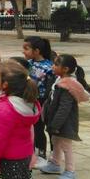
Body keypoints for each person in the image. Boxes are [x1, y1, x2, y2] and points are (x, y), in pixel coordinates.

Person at [39, 55, 90, 179]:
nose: (53, 66)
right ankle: (55, 164)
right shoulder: (60, 79)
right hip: (56, 121)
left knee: (66, 145)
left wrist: (55, 124)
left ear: (65, 69)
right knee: (56, 140)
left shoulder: (68, 85)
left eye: (56, 65)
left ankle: (70, 171)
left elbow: (64, 108)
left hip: (64, 122)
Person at [22, 36, 53, 164]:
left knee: (39, 127)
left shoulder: (48, 67)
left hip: (41, 101)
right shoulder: (29, 64)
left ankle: (42, 154)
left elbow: (44, 86)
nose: (23, 51)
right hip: (30, 100)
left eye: (26, 48)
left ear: (37, 51)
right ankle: (33, 152)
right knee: (32, 128)